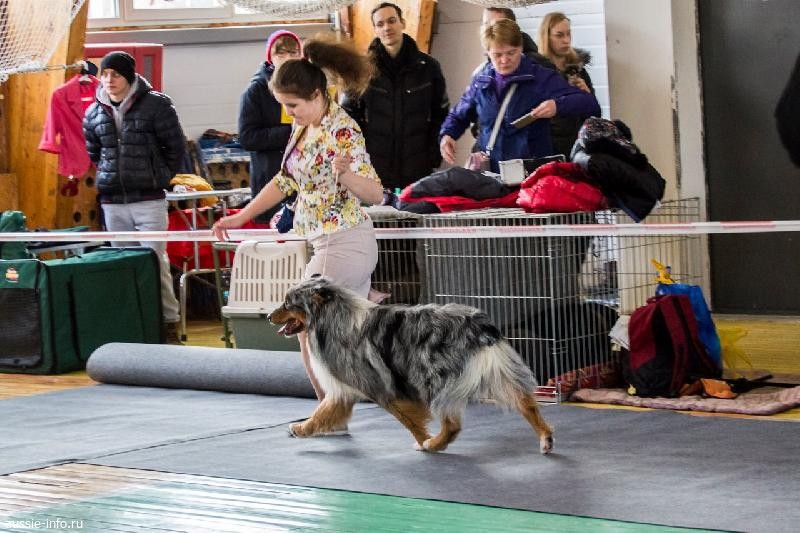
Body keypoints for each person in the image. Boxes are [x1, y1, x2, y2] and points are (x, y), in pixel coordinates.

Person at [212, 37, 385, 411]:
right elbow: (285, 181)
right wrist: (241, 215)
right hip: (328, 242)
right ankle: (350, 402)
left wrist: (345, 176)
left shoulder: (343, 130)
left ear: (318, 94)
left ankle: (330, 411)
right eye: (283, 105)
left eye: (293, 105)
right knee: (338, 335)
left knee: (304, 323)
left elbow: (375, 193)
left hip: (344, 242)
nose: (288, 113)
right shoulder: (304, 127)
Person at [83, 51, 187, 344]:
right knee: (123, 264)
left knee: (155, 261)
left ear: (128, 76)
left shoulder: (157, 105)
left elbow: (175, 146)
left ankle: (168, 322)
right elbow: (94, 152)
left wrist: (161, 176)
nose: (109, 80)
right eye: (105, 74)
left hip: (149, 199)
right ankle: (134, 324)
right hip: (113, 201)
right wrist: (111, 176)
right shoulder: (93, 112)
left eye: (115, 74)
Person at [440, 19, 600, 173]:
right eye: (497, 55)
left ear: (521, 48)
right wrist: (448, 135)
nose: (504, 60)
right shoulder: (481, 81)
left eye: (511, 53)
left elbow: (589, 104)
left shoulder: (541, 77)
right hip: (489, 169)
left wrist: (557, 105)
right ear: (488, 53)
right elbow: (459, 114)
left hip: (530, 170)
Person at [342, 2, 449, 192]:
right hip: (375, 166)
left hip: (418, 166)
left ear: (402, 23)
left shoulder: (429, 67)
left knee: (417, 210)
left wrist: (434, 154)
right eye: (380, 24)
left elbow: (441, 114)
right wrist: (360, 153)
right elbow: (348, 115)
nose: (387, 28)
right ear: (375, 29)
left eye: (392, 21)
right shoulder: (361, 70)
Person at [238, 30, 303, 224]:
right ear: (270, 57)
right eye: (280, 53)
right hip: (271, 178)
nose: (287, 58)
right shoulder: (255, 91)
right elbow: (247, 137)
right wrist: (290, 132)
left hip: (305, 179)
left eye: (293, 53)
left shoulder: (309, 86)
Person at [537, 12, 599, 157]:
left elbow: (595, 114)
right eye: (559, 35)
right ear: (547, 37)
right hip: (551, 144)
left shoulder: (578, 69)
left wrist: (587, 95)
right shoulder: (539, 72)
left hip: (579, 143)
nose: (566, 40)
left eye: (568, 34)